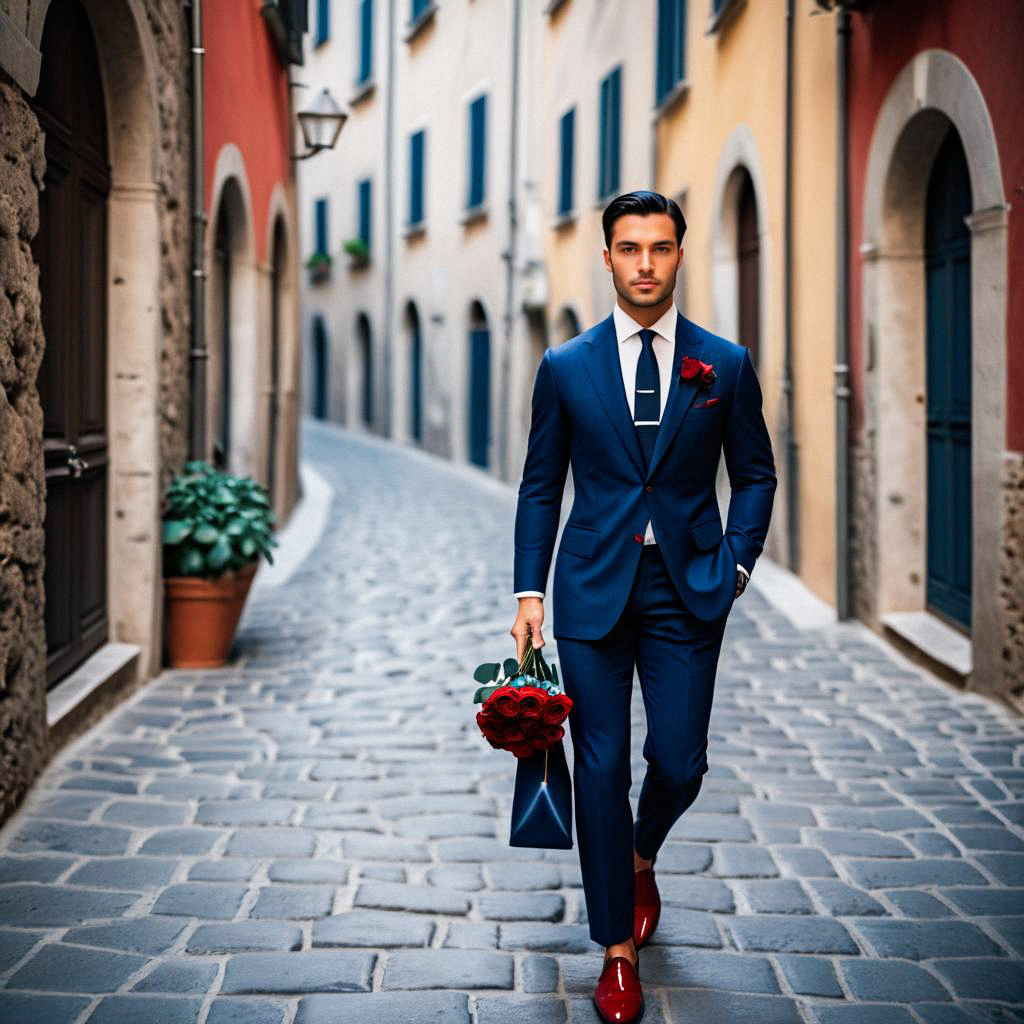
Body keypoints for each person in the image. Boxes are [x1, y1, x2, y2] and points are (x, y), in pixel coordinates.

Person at [510, 190, 777, 1024]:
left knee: (680, 760)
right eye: (630, 249)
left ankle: (639, 852)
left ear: (679, 255)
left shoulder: (723, 364)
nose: (646, 264)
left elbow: (757, 473)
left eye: (660, 248)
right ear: (608, 258)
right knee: (599, 764)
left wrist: (734, 566)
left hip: (688, 589)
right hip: (592, 590)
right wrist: (529, 590)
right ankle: (616, 950)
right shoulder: (566, 367)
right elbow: (541, 485)